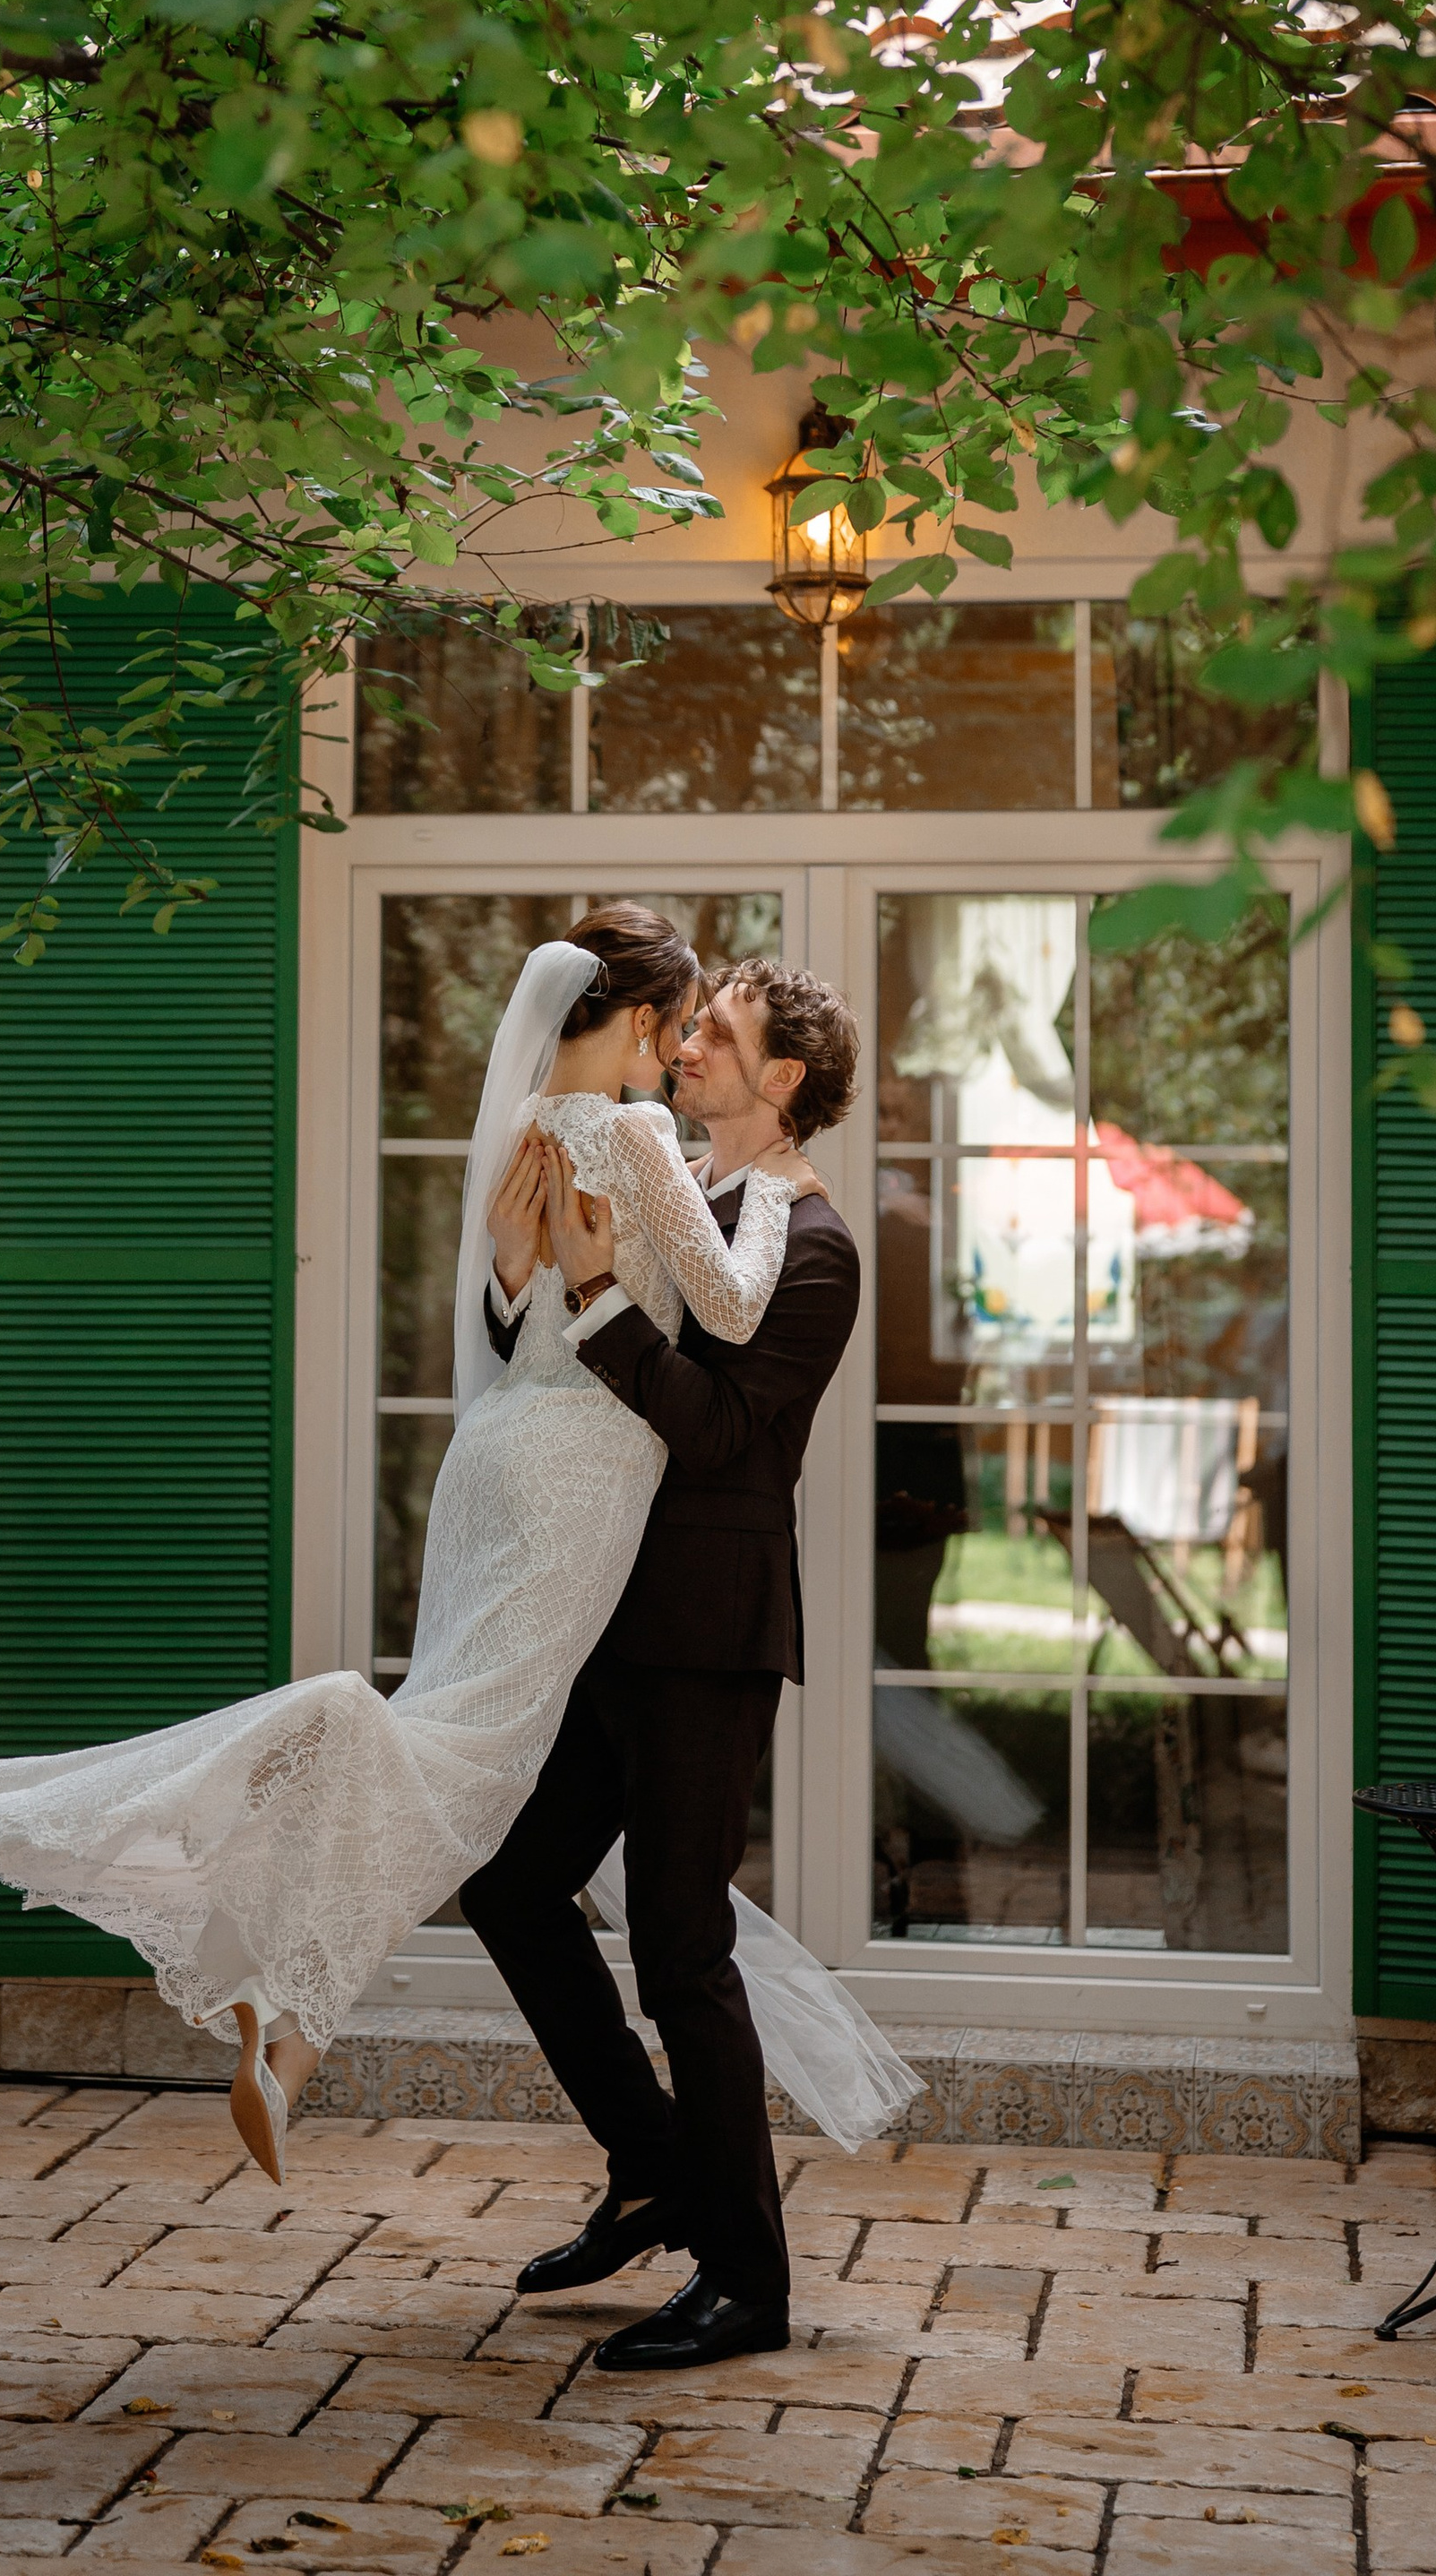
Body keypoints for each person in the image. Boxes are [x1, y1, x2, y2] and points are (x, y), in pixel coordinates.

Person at [0, 904, 814, 2187]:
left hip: (501, 1454)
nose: (676, 1054)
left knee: (448, 1763)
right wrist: (783, 1200)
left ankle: (289, 2029)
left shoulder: (524, 1123)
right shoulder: (633, 1133)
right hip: (581, 1469)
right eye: (676, 1025)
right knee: (460, 1773)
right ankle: (277, 1903)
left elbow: (517, 1299)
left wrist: (528, 1278)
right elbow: (734, 1304)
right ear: (634, 1018)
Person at [460, 955, 873, 2374]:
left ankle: (747, 2281)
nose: (687, 1045)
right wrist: (530, 1280)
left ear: (786, 1084)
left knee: (682, 1944)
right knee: (510, 1880)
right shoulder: (671, 1194)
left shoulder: (815, 1252)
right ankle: (651, 2169)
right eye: (689, 1027)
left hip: (707, 1628)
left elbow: (719, 1438)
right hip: (606, 1610)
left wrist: (590, 1290)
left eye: (721, 1034)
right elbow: (565, 1358)